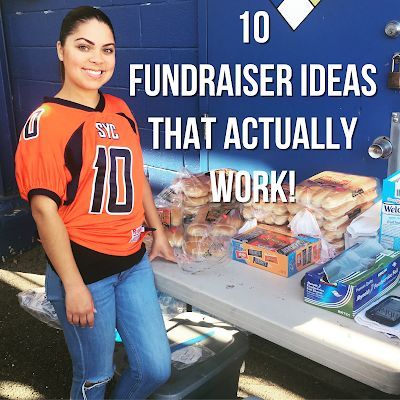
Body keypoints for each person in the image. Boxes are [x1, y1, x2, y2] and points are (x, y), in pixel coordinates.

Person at [15, 6, 176, 400]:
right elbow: (43, 210)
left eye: (107, 50)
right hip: (85, 270)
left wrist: (156, 232)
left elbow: (136, 175)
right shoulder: (47, 121)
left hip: (132, 262)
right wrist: (72, 285)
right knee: (95, 376)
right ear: (60, 50)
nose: (97, 60)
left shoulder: (120, 109)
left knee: (156, 367)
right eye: (84, 47)